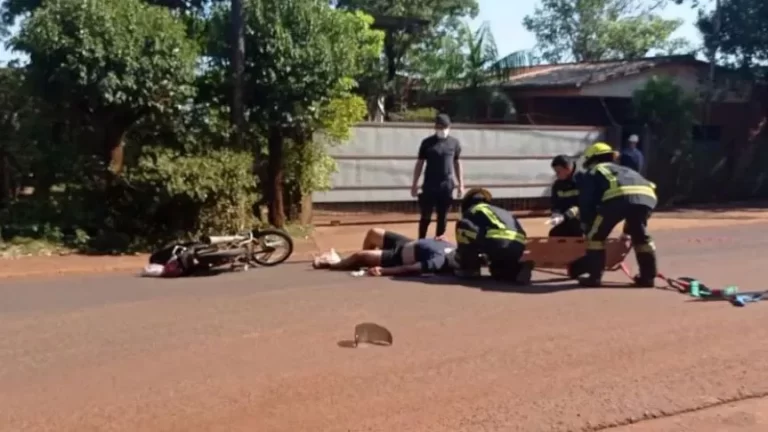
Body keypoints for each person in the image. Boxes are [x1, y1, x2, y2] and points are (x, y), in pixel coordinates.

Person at [574, 142, 658, 287]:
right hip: (647, 197)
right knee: (641, 237)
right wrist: (629, 229)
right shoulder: (624, 169)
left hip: (619, 198)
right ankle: (648, 277)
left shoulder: (594, 171)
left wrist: (586, 223)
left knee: (595, 237)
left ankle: (594, 277)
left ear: (591, 159)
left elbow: (587, 200)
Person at [452, 188, 533, 284]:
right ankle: (517, 269)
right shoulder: (500, 210)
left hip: (497, 242)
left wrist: (465, 254)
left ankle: (470, 268)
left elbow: (471, 233)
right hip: (518, 245)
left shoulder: (472, 210)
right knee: (498, 271)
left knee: (462, 225)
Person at [312, 228, 456, 277]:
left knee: (359, 256)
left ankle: (336, 263)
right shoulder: (454, 247)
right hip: (406, 242)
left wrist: (384, 270)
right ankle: (358, 263)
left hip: (397, 257)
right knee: (373, 233)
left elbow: (410, 268)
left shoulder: (440, 261)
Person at [411, 113, 464, 239]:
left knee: (443, 216)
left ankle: (439, 241)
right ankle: (421, 240)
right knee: (426, 216)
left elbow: (457, 162)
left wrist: (461, 184)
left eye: (444, 127)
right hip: (430, 184)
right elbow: (420, 163)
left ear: (449, 127)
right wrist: (414, 184)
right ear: (435, 127)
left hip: (446, 185)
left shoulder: (454, 143)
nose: (441, 130)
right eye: (439, 127)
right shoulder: (427, 143)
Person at [546, 155, 584, 237]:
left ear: (568, 169)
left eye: (558, 172)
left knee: (576, 229)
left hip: (583, 220)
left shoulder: (584, 180)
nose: (556, 175)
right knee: (554, 234)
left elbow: (585, 204)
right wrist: (556, 214)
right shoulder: (557, 185)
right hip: (566, 219)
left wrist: (566, 215)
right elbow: (555, 203)